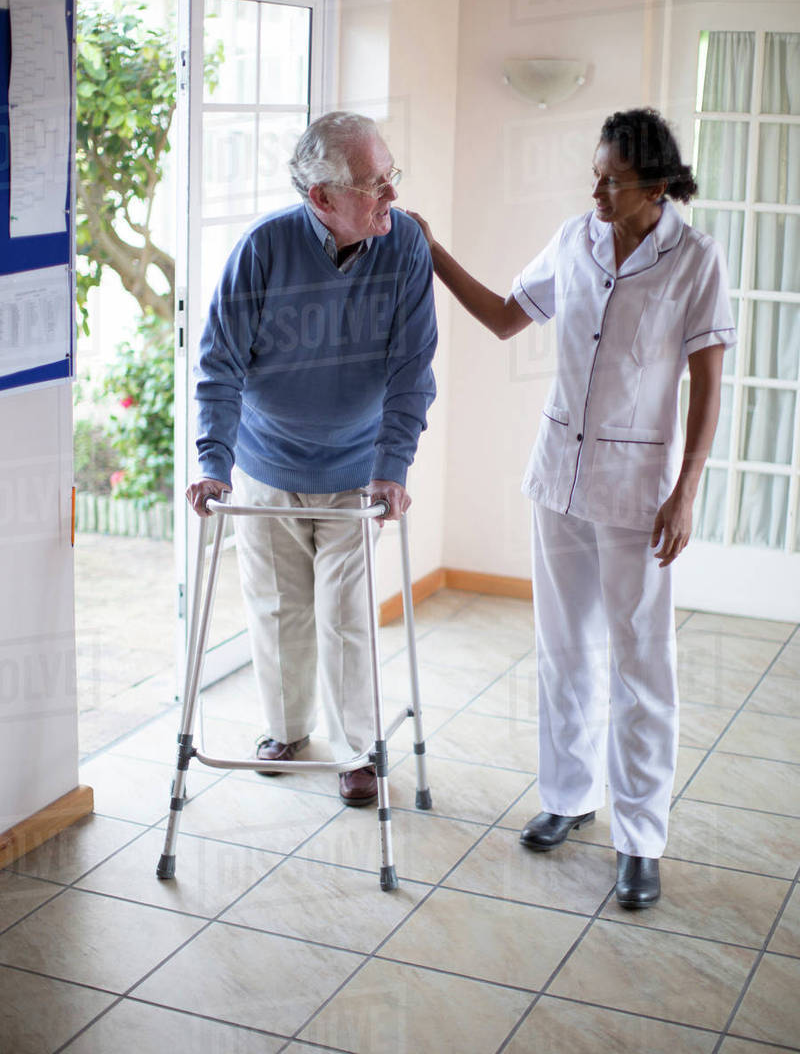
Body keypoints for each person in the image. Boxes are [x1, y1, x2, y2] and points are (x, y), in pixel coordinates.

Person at [409, 107, 735, 907]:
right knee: (563, 653)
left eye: (611, 178)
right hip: (558, 478)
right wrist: (429, 247)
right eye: (594, 172)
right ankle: (566, 796)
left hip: (639, 495)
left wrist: (686, 492)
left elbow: (708, 386)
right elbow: (501, 317)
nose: (596, 188)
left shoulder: (695, 260)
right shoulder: (575, 240)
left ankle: (641, 839)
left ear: (655, 186)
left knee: (641, 666)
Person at [187, 111, 437, 807]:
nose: (390, 195)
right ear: (321, 198)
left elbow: (414, 366)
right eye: (372, 184)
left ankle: (358, 749)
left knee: (346, 614)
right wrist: (215, 459)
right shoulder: (264, 248)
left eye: (391, 177)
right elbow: (219, 365)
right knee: (276, 608)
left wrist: (394, 465)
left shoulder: (406, 244)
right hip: (267, 468)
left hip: (357, 472)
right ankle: (287, 729)